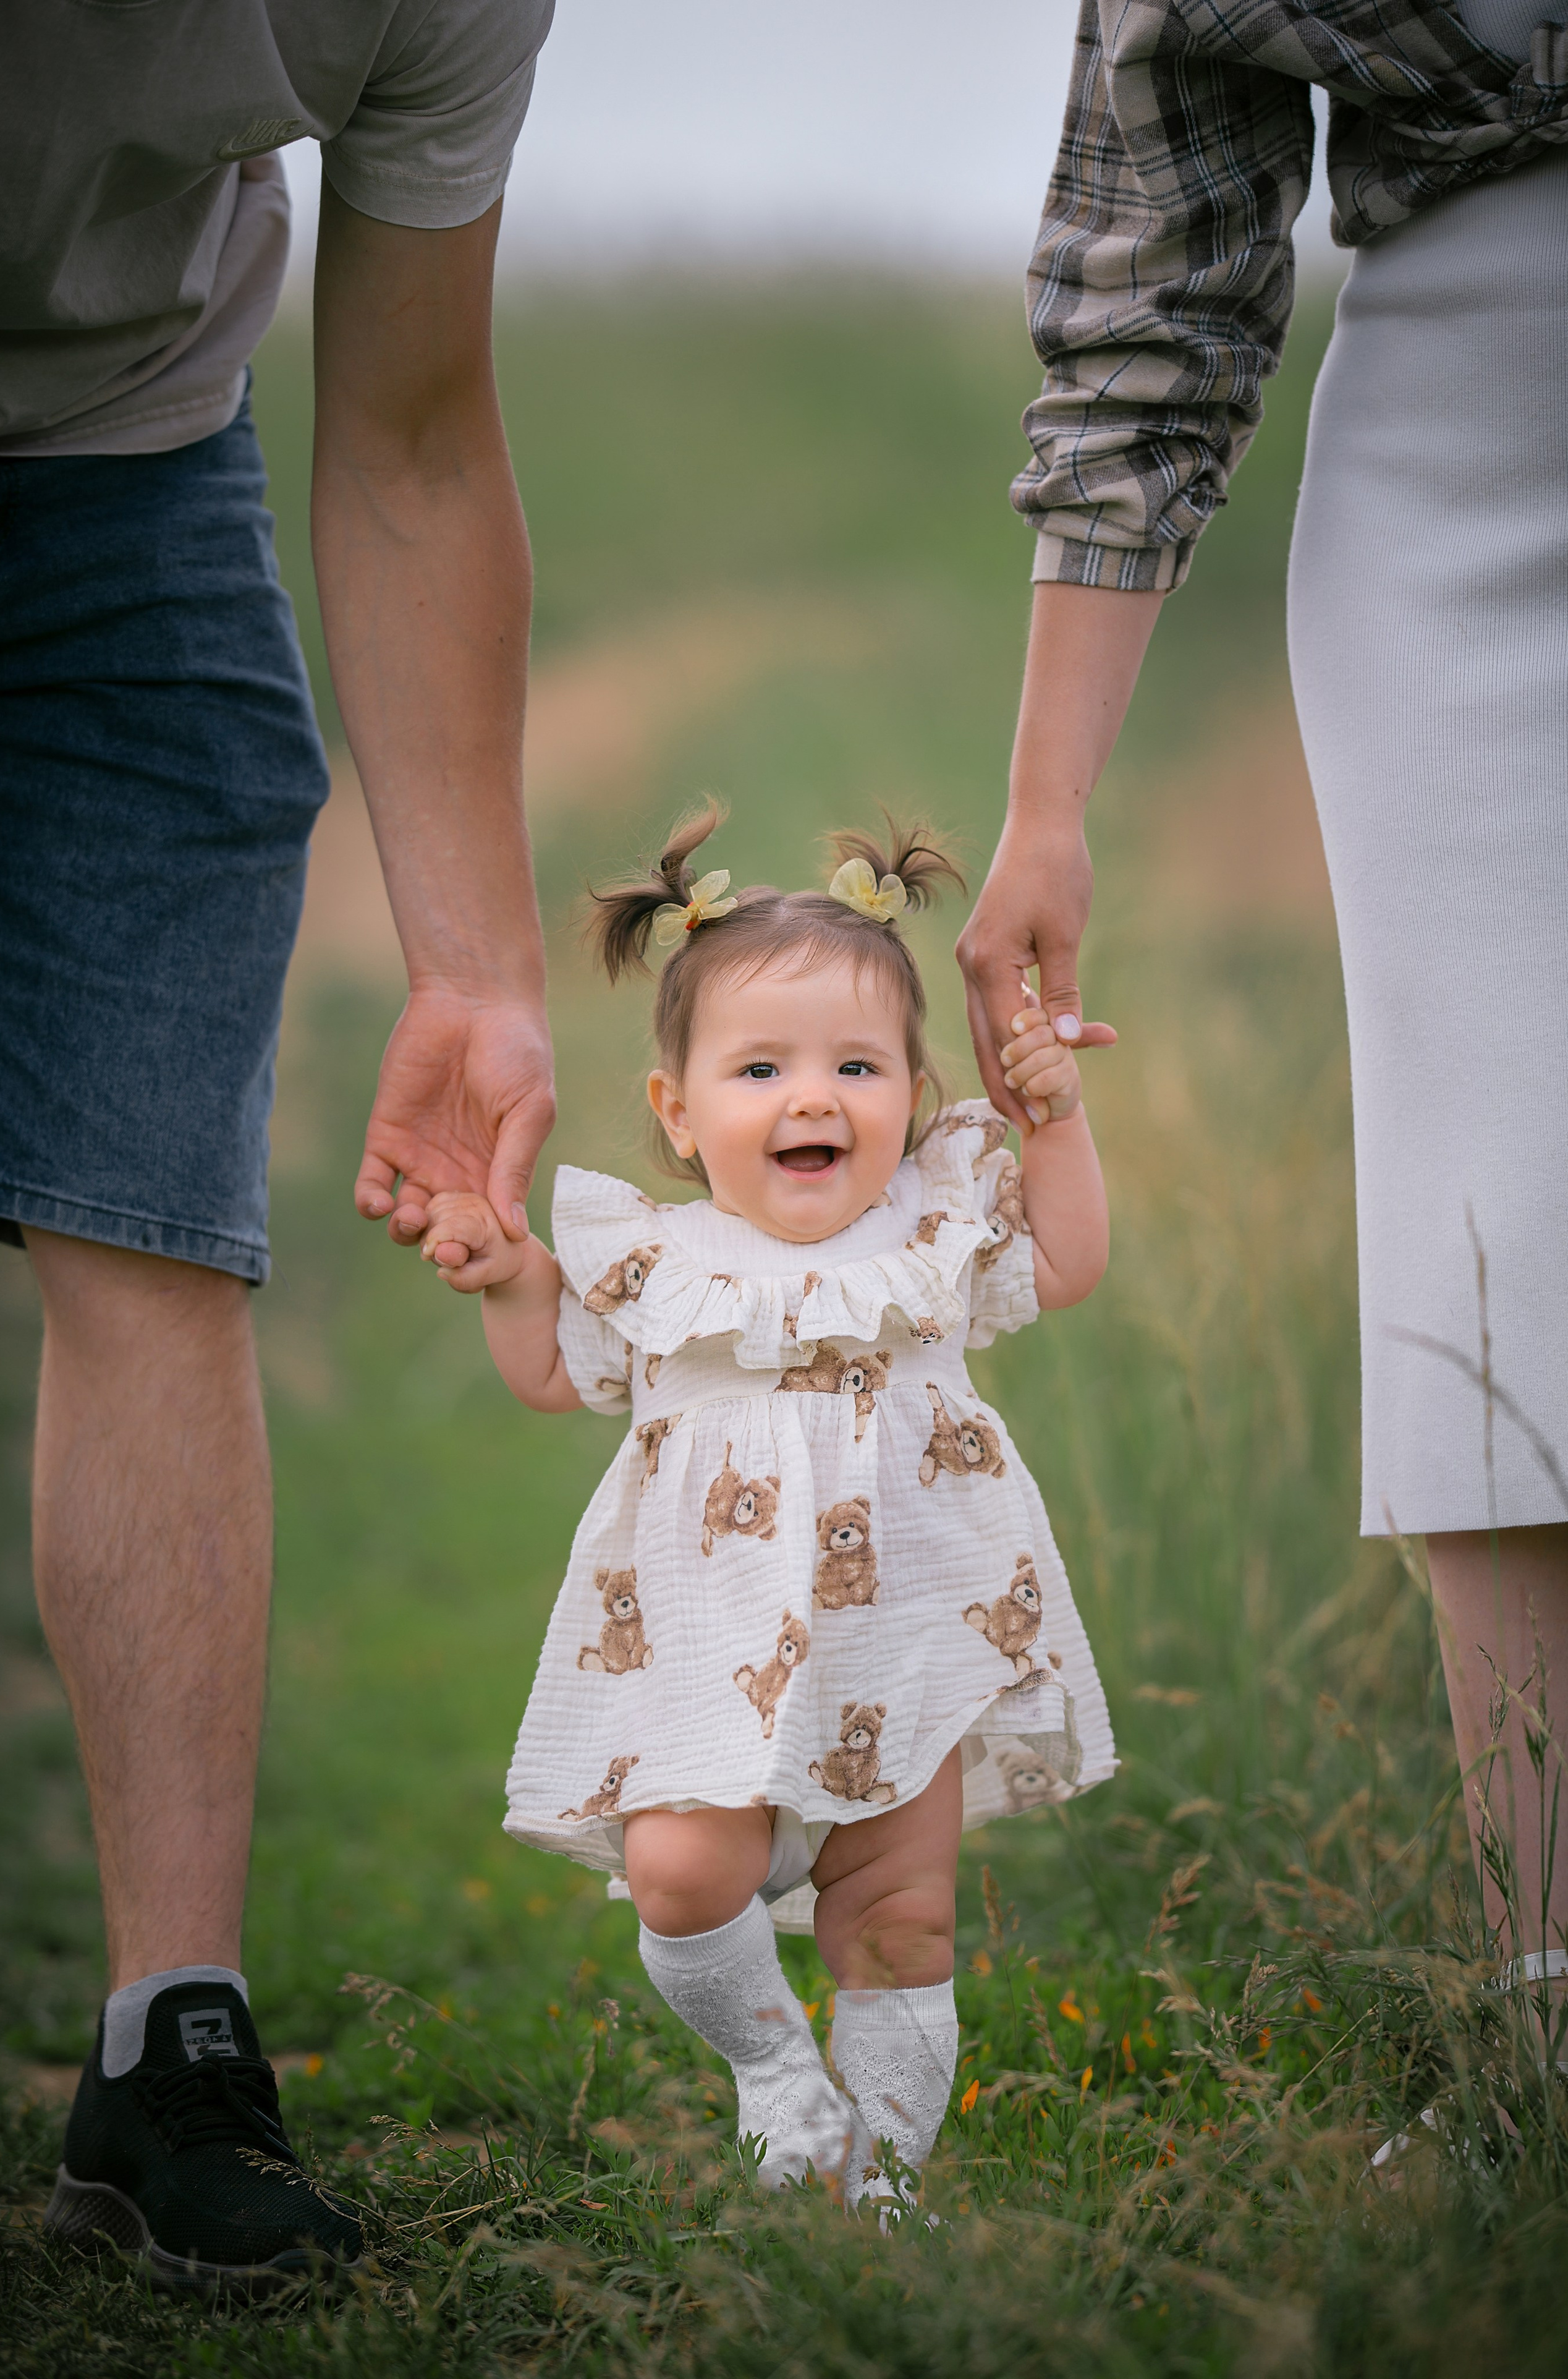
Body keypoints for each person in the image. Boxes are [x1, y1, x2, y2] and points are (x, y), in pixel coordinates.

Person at [0, 1, 559, 2289]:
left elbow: (414, 434)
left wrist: (479, 967)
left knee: (157, 1222)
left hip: (132, 474)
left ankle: (169, 2045)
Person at [957, 0, 1568, 1996]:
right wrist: (1047, 807)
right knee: (1492, 1219)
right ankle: (1545, 1992)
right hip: (1470, 435)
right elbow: (1162, 250)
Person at [417, 809, 1117, 2212]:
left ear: (907, 1093)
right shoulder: (659, 1258)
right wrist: (506, 1279)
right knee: (678, 1872)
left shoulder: (926, 1229)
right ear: (680, 1110)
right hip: (707, 1653)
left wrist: (1054, 1116)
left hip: (907, 1645)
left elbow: (1067, 1259)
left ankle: (883, 2191)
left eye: (855, 1065)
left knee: (901, 1920)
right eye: (760, 1067)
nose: (813, 1096)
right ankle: (776, 2080)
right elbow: (560, 1371)